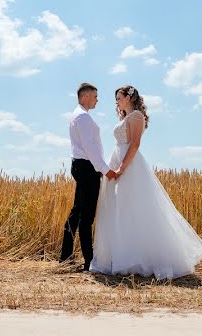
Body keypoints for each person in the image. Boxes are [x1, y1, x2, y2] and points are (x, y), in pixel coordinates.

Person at [89, 85, 202, 279]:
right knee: (120, 210)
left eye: (118, 98)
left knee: (136, 208)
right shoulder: (125, 118)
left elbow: (135, 144)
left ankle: (145, 258)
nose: (116, 102)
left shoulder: (136, 116)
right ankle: (123, 256)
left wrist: (122, 168)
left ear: (128, 98)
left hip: (130, 165)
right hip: (118, 159)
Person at [60, 83, 118, 271]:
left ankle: (66, 257)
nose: (97, 100)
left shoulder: (79, 115)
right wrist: (104, 169)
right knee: (86, 216)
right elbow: (89, 146)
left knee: (77, 213)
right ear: (85, 97)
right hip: (87, 167)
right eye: (95, 96)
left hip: (82, 166)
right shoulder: (83, 117)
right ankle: (89, 261)